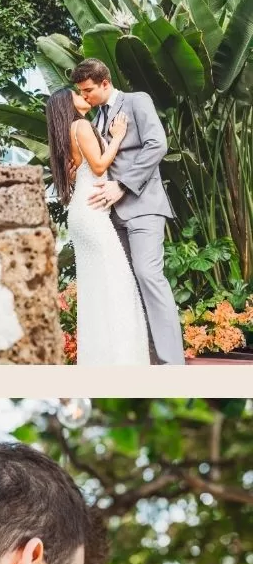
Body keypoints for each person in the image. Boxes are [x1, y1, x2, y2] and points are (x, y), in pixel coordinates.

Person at [70, 58, 185, 366]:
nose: (86, 97)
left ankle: (172, 366)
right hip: (110, 218)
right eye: (81, 91)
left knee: (149, 276)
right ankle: (144, 360)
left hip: (144, 207)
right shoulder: (94, 121)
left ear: (105, 83)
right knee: (128, 285)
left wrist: (122, 185)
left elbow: (156, 145)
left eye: (90, 90)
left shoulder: (137, 101)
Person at [44, 85, 148, 366]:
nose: (85, 96)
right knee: (117, 281)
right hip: (91, 214)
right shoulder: (81, 126)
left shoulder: (67, 132)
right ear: (69, 102)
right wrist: (117, 137)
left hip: (83, 210)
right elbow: (100, 166)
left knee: (97, 286)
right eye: (78, 94)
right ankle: (121, 359)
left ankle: (102, 358)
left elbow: (80, 173)